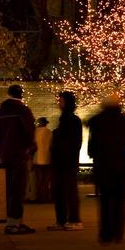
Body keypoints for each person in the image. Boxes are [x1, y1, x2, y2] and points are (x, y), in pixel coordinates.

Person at [87, 93, 125, 243]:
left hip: (103, 165)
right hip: (120, 165)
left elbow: (92, 145)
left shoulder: (97, 121)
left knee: (105, 200)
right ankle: (118, 233)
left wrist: (92, 154)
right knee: (120, 201)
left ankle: (106, 233)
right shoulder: (124, 121)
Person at [0, 84, 36, 235]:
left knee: (10, 189)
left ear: (8, 94)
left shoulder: (0, 112)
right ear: (21, 95)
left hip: (5, 156)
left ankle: (13, 221)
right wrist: (30, 148)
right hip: (19, 155)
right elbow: (29, 132)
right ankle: (14, 223)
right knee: (18, 189)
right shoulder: (23, 111)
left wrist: (0, 150)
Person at [48, 91, 83, 231]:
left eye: (61, 100)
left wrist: (56, 139)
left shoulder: (72, 120)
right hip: (60, 162)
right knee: (60, 192)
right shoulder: (65, 119)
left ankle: (74, 220)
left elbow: (73, 143)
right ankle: (61, 220)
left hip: (67, 162)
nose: (59, 103)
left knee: (69, 192)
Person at [33, 117, 53, 203]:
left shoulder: (35, 132)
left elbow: (33, 144)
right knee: (46, 179)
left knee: (38, 179)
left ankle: (39, 197)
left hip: (37, 158)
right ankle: (45, 196)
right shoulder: (49, 132)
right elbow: (52, 145)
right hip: (47, 158)